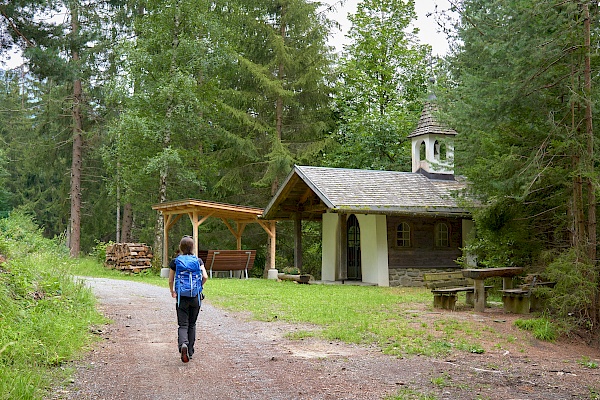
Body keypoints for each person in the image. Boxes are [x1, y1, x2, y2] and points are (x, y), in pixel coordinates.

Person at [168, 236, 208, 363]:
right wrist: (199, 287)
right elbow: (205, 276)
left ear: (181, 247)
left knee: (183, 324)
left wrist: (172, 291)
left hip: (182, 297)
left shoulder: (175, 261)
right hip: (195, 297)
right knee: (192, 324)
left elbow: (170, 279)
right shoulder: (198, 260)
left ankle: (183, 345)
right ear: (193, 247)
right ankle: (190, 351)